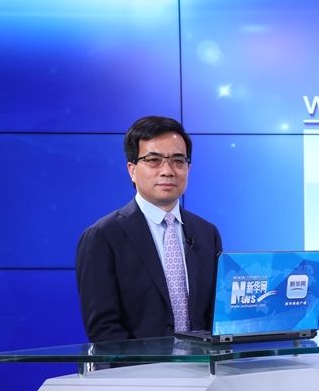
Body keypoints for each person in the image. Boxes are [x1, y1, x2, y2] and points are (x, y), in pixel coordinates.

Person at [76, 116, 222, 342]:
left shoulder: (207, 233)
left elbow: (215, 316)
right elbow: (103, 328)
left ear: (188, 168)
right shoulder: (103, 236)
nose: (168, 171)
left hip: (201, 363)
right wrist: (149, 363)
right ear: (132, 170)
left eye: (178, 160)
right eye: (154, 160)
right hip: (138, 364)